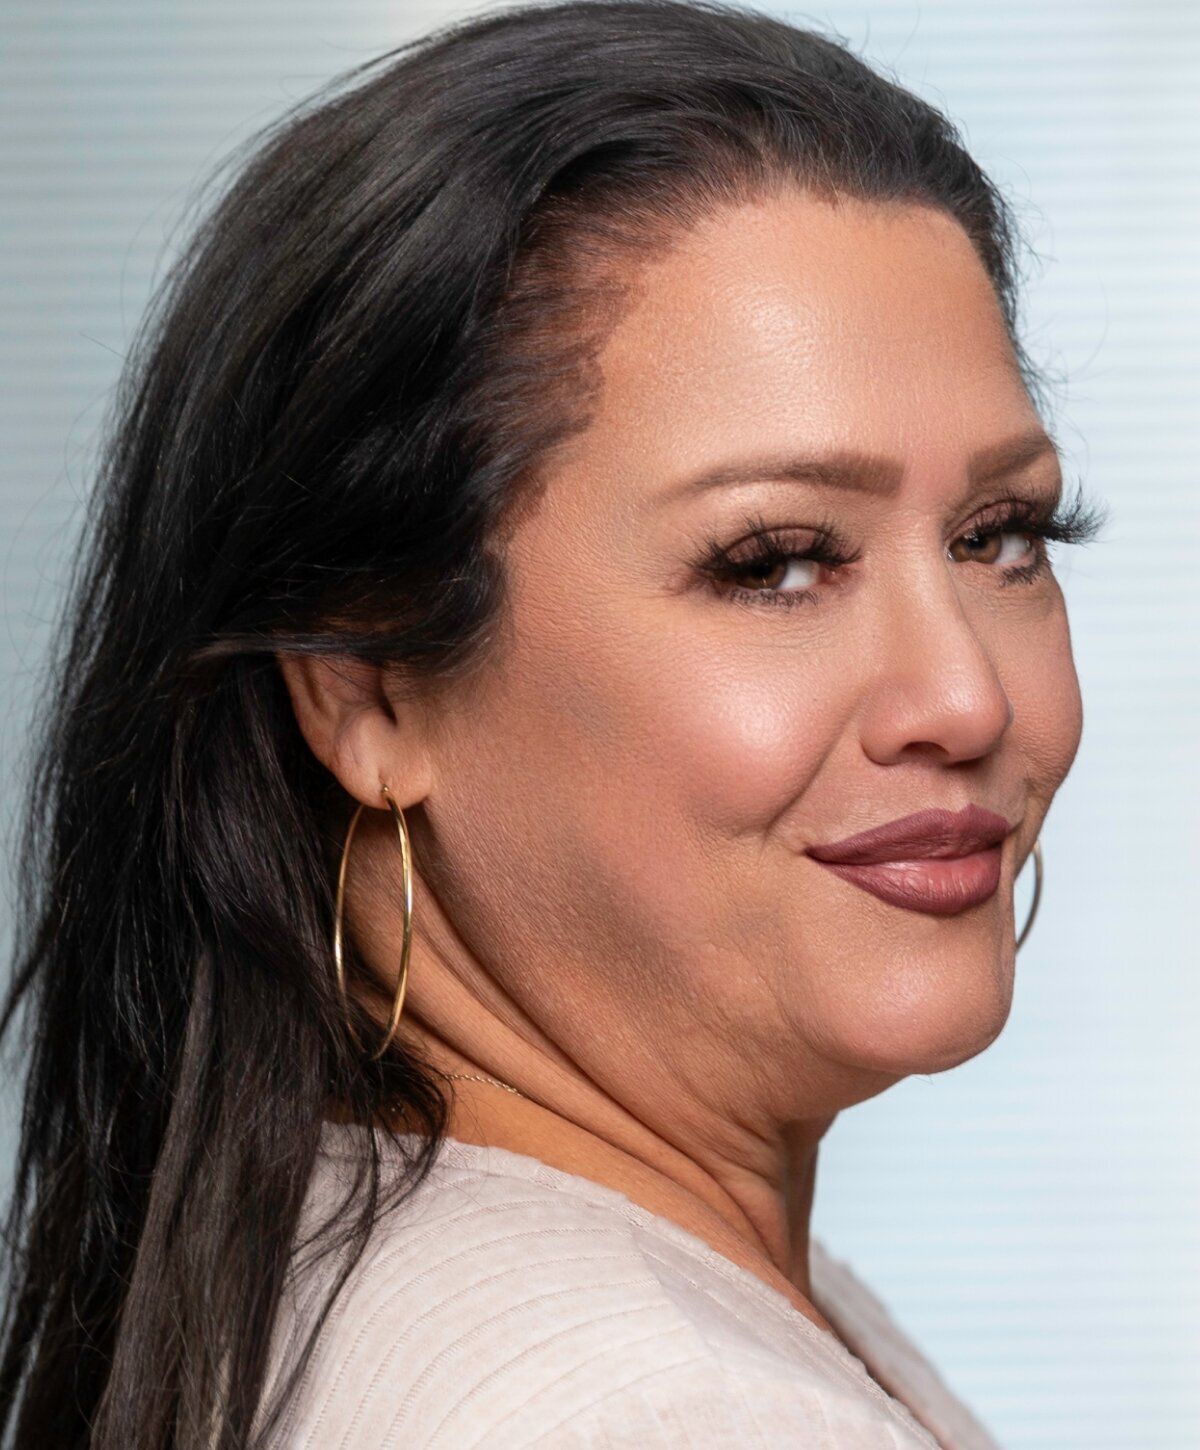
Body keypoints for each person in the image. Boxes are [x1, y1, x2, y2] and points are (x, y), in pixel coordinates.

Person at [0, 0, 1109, 1445]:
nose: (968, 697)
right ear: (367, 687)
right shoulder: (666, 1407)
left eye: (1002, 535)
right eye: (775, 562)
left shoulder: (337, 1270)